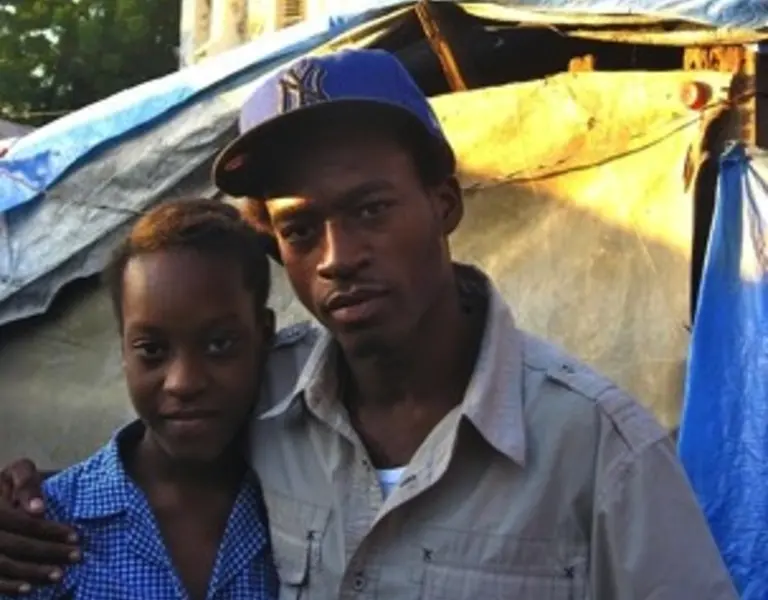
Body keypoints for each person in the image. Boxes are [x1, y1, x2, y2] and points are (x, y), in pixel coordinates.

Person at [0, 49, 736, 598]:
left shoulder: (599, 451)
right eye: (299, 230)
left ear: (444, 204)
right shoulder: (265, 396)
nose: (337, 257)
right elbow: (158, 446)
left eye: (371, 211)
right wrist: (25, 504)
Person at [0, 200, 279, 599]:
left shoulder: (304, 508)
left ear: (264, 336)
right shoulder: (41, 532)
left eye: (219, 344)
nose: (183, 382)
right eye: (151, 349)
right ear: (123, 351)